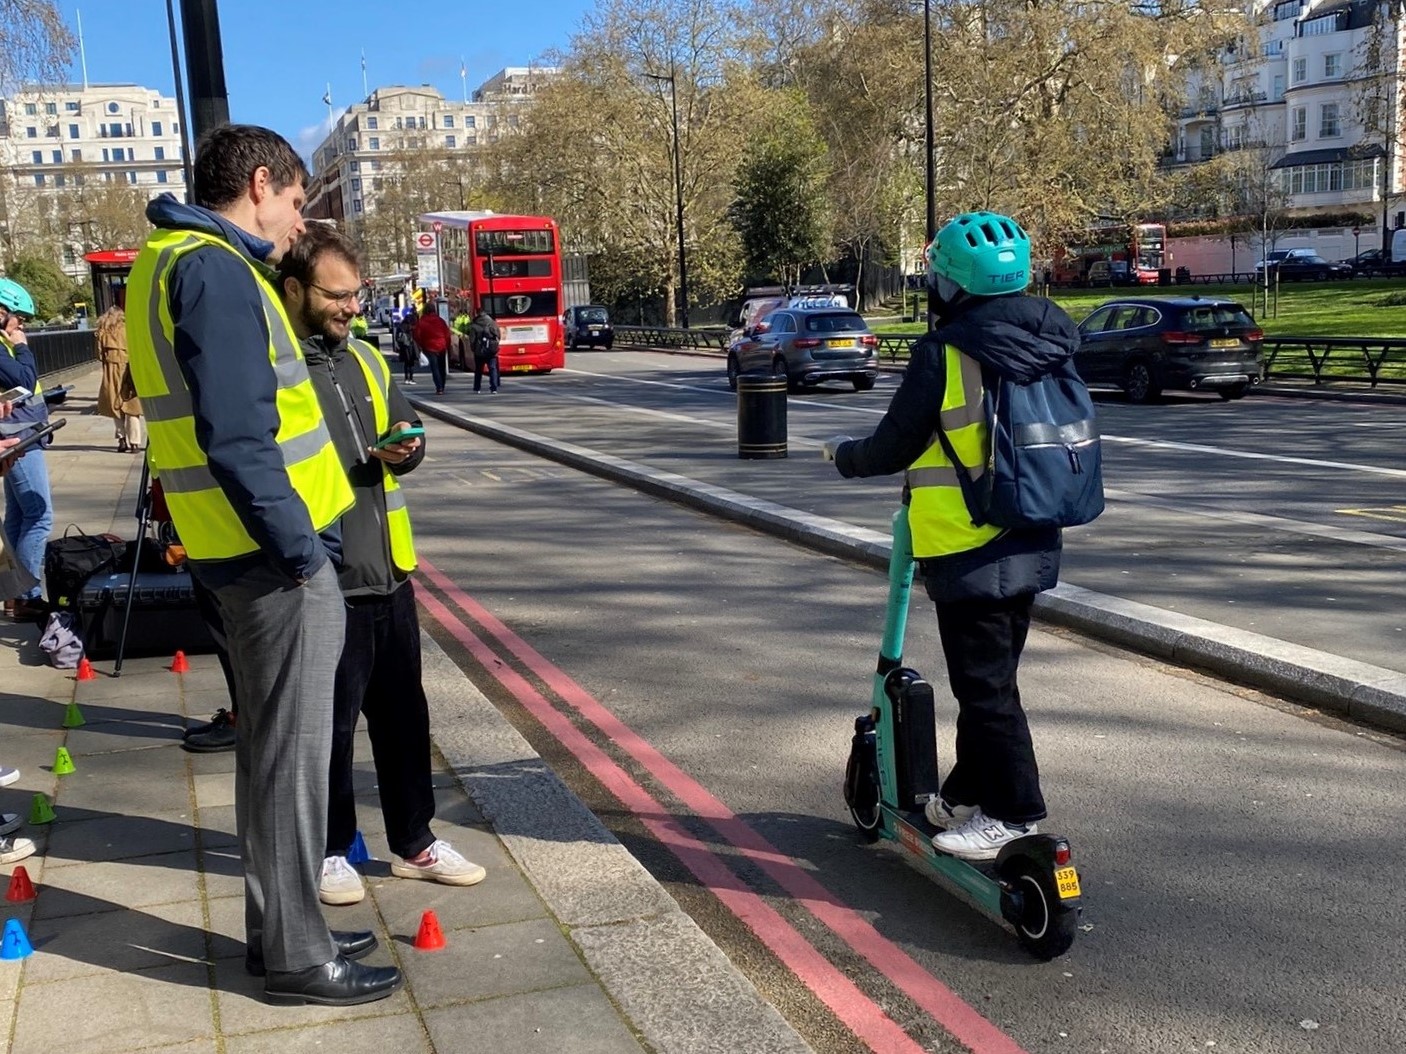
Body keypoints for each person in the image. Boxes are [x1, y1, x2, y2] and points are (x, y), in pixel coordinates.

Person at [124, 123, 402, 1007]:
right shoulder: (214, 269)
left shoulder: (162, 258)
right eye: (293, 201)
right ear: (257, 182)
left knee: (266, 756)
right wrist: (300, 554)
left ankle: (278, 929)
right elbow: (240, 438)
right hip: (272, 559)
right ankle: (296, 955)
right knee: (290, 761)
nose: (296, 223)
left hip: (226, 548)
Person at [824, 211, 1069, 863]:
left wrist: (844, 456)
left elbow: (892, 445)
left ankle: (1015, 815)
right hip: (1035, 532)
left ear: (953, 286)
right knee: (990, 683)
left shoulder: (945, 354)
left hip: (968, 545)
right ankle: (965, 792)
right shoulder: (1052, 340)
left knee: (986, 689)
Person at [278, 224, 486, 905]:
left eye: (356, 295)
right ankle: (331, 849)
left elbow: (410, 435)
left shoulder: (367, 359)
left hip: (387, 571)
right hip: (323, 576)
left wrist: (408, 450)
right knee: (331, 727)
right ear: (295, 290)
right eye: (336, 296)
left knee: (404, 717)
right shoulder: (277, 369)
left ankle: (416, 841)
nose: (349, 308)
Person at [0, 277, 55, 624]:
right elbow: (23, 377)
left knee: (19, 516)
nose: (22, 325)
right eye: (18, 317)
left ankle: (12, 593)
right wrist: (22, 346)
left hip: (19, 432)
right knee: (39, 514)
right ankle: (26, 595)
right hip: (16, 438)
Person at [95, 305, 145, 453]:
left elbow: (98, 355)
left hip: (110, 372)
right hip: (129, 370)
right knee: (132, 407)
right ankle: (134, 443)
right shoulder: (128, 329)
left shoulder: (102, 332)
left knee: (115, 408)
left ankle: (122, 440)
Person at [412, 301, 452, 395]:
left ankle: (439, 388)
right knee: (442, 367)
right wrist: (447, 346)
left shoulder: (422, 321)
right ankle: (442, 385)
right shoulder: (440, 320)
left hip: (429, 347)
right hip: (442, 346)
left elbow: (416, 335)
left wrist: (421, 345)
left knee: (435, 368)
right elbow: (447, 334)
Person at [469, 308, 501, 394]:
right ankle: (494, 388)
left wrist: (474, 349)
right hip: (491, 350)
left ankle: (477, 388)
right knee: (492, 369)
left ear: (477, 314)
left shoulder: (474, 325)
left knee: (478, 370)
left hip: (479, 351)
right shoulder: (492, 323)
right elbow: (498, 335)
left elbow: (472, 340)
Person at [394, 304, 418, 384]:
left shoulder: (401, 326)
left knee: (406, 363)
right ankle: (411, 378)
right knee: (411, 363)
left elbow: (397, 337)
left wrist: (398, 345)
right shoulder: (411, 327)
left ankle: (406, 378)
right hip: (411, 346)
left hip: (403, 347)